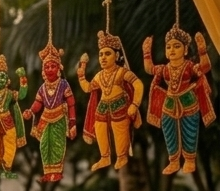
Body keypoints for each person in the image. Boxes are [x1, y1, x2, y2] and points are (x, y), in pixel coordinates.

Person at [144, 26, 213, 175]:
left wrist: (202, 51)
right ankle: (174, 161)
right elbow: (149, 69)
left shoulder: (189, 66)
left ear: (186, 50)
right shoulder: (164, 69)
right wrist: (146, 53)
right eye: (168, 47)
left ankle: (189, 160)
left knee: (190, 131)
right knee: (169, 132)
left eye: (177, 46)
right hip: (168, 104)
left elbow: (205, 67)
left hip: (188, 101)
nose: (172, 50)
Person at [77, 31, 144, 171]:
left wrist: (135, 104)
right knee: (100, 130)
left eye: (107, 54)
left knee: (119, 131)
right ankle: (104, 157)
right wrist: (81, 76)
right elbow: (88, 88)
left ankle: (121, 156)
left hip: (120, 105)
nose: (103, 58)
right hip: (102, 107)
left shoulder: (121, 72)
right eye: (101, 54)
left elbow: (138, 85)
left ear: (117, 56)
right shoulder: (99, 75)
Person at [23, 44, 78, 183]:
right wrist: (30, 111)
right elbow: (38, 104)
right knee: (44, 145)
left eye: (53, 66)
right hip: (46, 118)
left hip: (60, 117)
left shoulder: (64, 84)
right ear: (43, 70)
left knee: (58, 144)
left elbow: (71, 103)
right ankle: (48, 172)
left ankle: (57, 172)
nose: (50, 69)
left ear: (59, 68)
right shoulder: (42, 87)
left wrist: (72, 123)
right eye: (46, 67)